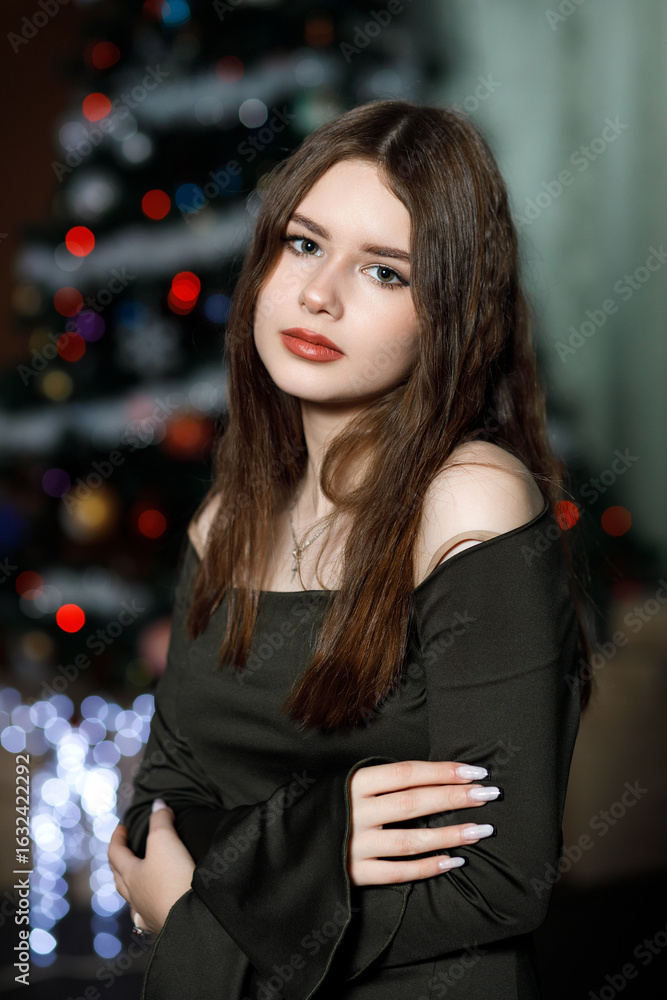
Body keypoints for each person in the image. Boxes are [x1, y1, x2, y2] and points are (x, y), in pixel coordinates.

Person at [108, 99, 591, 999]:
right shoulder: (228, 516)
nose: (318, 295)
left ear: (448, 313)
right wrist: (322, 836)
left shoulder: (468, 499)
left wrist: (198, 913)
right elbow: (151, 818)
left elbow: (501, 882)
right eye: (303, 244)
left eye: (383, 272)